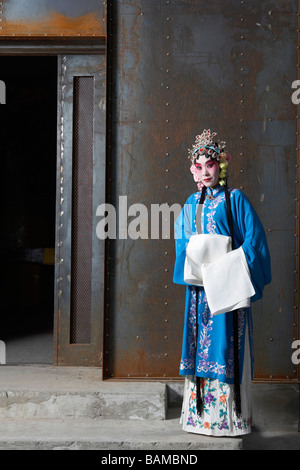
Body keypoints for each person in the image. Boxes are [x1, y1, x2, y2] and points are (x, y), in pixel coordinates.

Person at [173, 129, 271, 436]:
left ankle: (230, 420)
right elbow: (182, 243)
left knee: (227, 345)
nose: (205, 172)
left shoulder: (236, 199)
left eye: (211, 165)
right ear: (192, 169)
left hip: (227, 288)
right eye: (199, 166)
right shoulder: (190, 203)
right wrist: (197, 255)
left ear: (222, 165)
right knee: (198, 345)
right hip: (200, 291)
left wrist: (225, 264)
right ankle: (198, 417)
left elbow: (254, 242)